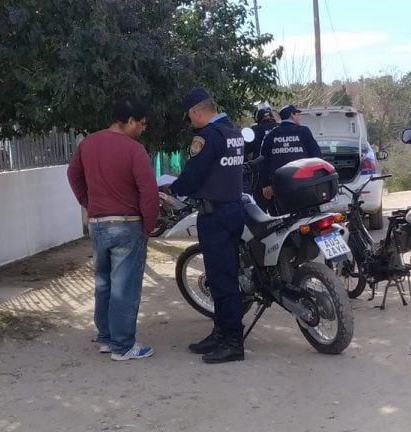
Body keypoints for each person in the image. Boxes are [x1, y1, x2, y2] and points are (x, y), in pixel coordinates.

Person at [67, 96, 159, 360]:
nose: (142, 129)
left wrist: (88, 201)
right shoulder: (133, 150)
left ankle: (106, 338)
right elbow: (148, 191)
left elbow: (73, 175)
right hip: (127, 225)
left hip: (98, 223)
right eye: (141, 124)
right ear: (129, 121)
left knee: (104, 283)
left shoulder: (88, 143)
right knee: (125, 287)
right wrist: (149, 224)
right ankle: (123, 346)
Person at [166, 87, 247, 364]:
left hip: (216, 215)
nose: (191, 123)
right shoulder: (233, 132)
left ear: (197, 112)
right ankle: (221, 333)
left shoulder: (208, 136)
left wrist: (174, 189)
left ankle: (233, 341)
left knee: (221, 279)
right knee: (222, 275)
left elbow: (195, 173)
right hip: (233, 210)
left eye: (190, 117)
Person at [259, 104, 322, 214]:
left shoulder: (271, 135)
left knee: (285, 218)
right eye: (297, 114)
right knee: (306, 215)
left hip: (280, 186)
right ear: (292, 115)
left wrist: (265, 184)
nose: (299, 117)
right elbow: (317, 156)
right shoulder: (303, 132)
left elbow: (263, 161)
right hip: (304, 184)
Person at [245, 106, 279, 211]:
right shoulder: (280, 127)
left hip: (260, 176)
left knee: (262, 210)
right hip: (281, 175)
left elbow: (243, 151)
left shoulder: (255, 130)